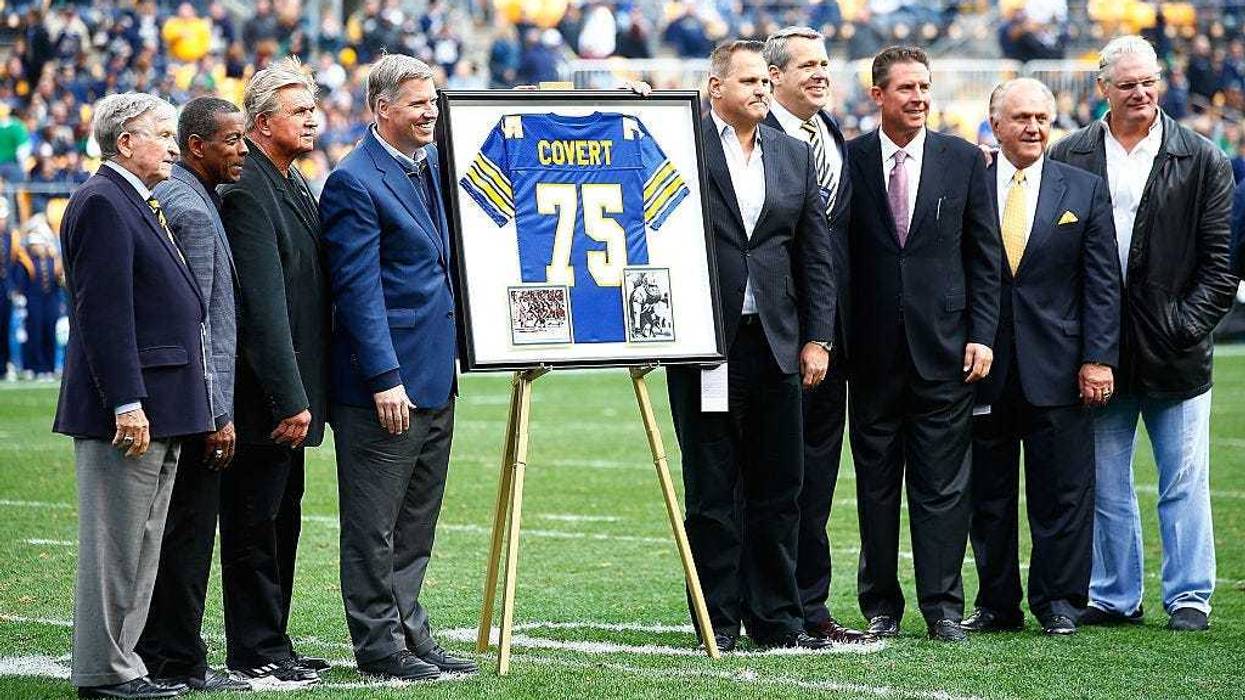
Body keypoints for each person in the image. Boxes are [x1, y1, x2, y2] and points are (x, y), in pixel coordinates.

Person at [1048, 35, 1239, 632]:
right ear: (1101, 88)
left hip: (1176, 349)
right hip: (1096, 350)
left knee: (1183, 481)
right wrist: (1082, 340)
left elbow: (1220, 264)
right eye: (1127, 83)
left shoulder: (1203, 157)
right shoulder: (1068, 155)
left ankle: (1189, 597)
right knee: (1106, 481)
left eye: (1149, 81)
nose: (1141, 93)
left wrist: (1182, 327)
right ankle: (1114, 594)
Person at [666, 39, 837, 653]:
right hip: (705, 345)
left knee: (779, 485)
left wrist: (817, 338)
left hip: (777, 344)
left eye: (766, 82)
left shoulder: (793, 154)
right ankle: (718, 619)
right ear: (715, 89)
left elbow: (815, 255)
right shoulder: (682, 145)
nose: (762, 91)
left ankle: (778, 617)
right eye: (748, 83)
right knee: (712, 488)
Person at [319, 53, 476, 681]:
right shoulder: (353, 181)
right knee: (373, 524)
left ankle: (410, 631)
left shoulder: (433, 166)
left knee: (416, 520)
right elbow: (357, 292)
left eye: (434, 102)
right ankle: (379, 647)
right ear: (381, 108)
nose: (431, 113)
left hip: (438, 374)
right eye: (418, 103)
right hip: (385, 385)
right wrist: (385, 378)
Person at [54, 91, 212, 700]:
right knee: (115, 548)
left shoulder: (129, 200)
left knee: (141, 547)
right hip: (129, 408)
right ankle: (102, 671)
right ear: (126, 142)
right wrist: (126, 401)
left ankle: (122, 665)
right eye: (163, 135)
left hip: (159, 402)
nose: (174, 146)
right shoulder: (102, 203)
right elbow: (104, 315)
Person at [846, 45, 1001, 643]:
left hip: (946, 353)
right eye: (905, 88)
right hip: (871, 355)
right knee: (877, 487)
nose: (918, 98)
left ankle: (942, 606)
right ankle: (880, 603)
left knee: (943, 488)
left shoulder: (965, 161)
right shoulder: (848, 159)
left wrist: (982, 335)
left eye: (924, 87)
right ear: (878, 95)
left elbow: (985, 259)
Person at [964, 78, 1121, 638]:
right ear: (995, 121)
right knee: (989, 495)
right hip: (984, 369)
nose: (1033, 128)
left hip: (1061, 366)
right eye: (1022, 118)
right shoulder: (969, 183)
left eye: (1043, 119)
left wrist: (1099, 357)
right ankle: (996, 605)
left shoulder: (1082, 188)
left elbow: (1101, 282)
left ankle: (1059, 603)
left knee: (1064, 494)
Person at [218, 56, 330, 687]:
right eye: (299, 111)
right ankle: (255, 647)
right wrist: (289, 396)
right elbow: (262, 308)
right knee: (256, 522)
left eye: (313, 109)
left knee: (282, 517)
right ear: (263, 122)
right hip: (264, 398)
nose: (312, 120)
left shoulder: (290, 181)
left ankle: (273, 641)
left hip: (292, 393)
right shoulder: (249, 192)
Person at [134, 97, 252, 693]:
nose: (243, 149)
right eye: (232, 140)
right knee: (185, 534)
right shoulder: (193, 210)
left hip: (176, 398)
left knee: (173, 532)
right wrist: (219, 412)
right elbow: (199, 320)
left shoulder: (187, 198)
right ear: (197, 146)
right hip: (193, 402)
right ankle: (176, 657)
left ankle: (166, 649)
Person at [760, 25, 870, 645]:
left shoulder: (827, 133)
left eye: (825, 64)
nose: (822, 74)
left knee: (819, 479)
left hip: (831, 338)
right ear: (774, 75)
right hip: (778, 335)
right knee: (781, 479)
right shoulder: (757, 136)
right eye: (807, 65)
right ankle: (773, 605)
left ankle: (810, 605)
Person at [15, 219, 61, 379]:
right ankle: (36, 366)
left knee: (49, 331)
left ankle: (50, 366)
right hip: (34, 300)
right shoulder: (28, 263)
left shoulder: (52, 261)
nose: (37, 247)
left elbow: (58, 279)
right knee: (35, 333)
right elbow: (22, 282)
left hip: (50, 300)